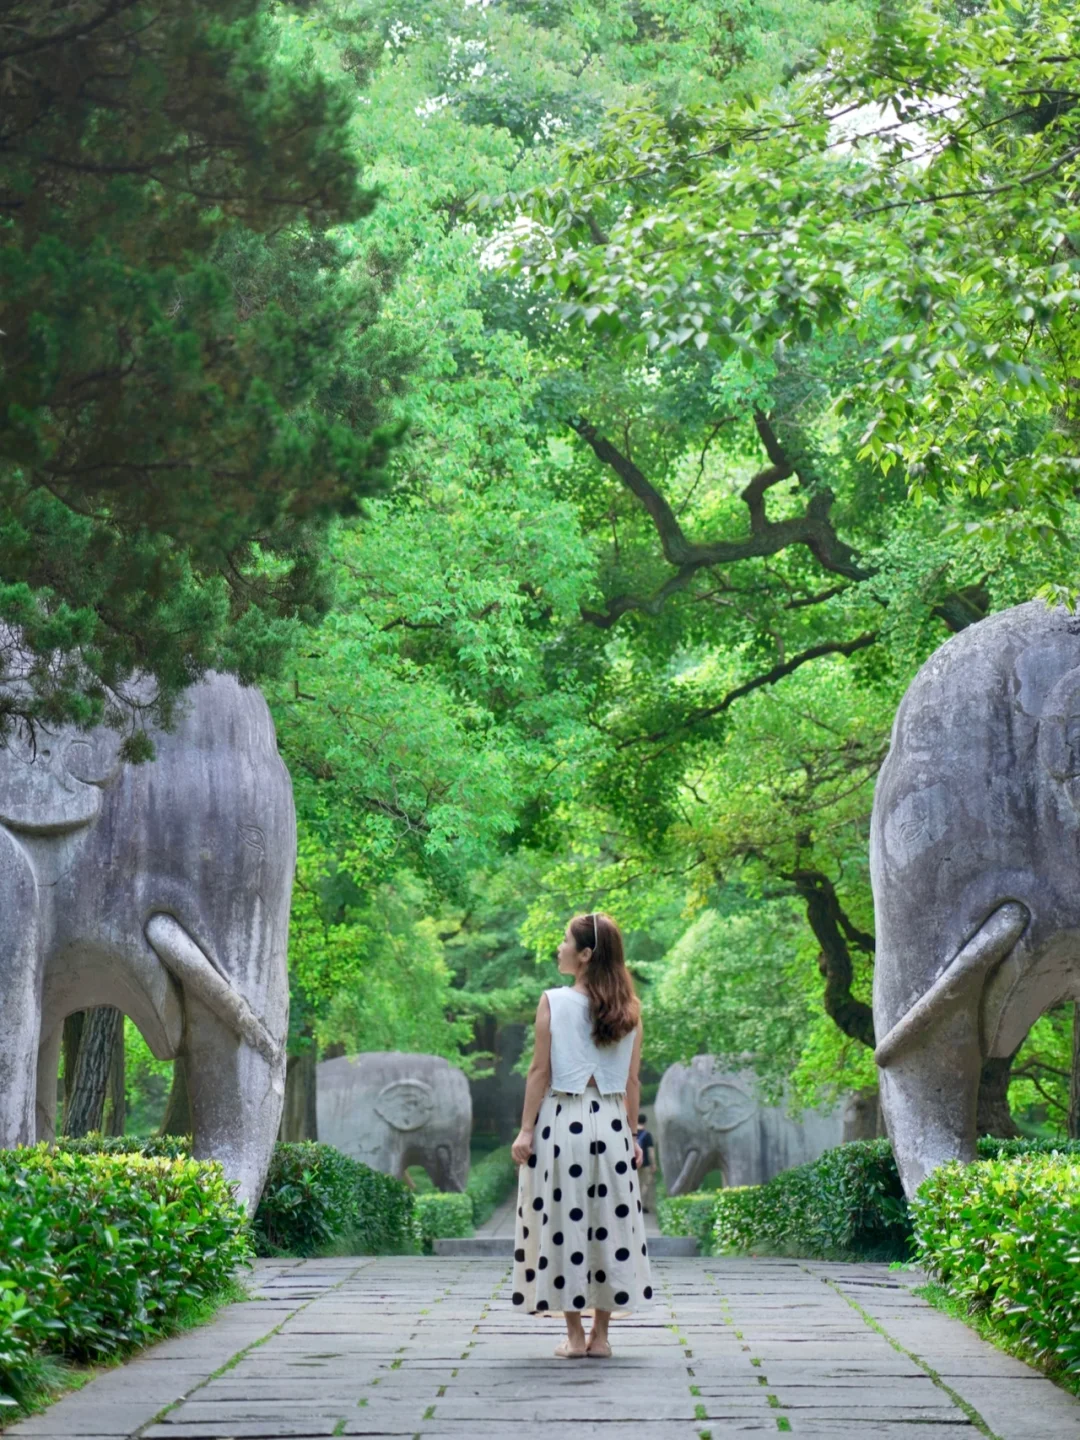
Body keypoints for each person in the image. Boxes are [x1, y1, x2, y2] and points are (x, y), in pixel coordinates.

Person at [510, 911, 653, 1359]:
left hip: (562, 1121)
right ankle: (602, 1336)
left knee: (563, 1225)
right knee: (609, 1225)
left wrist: (526, 1130)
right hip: (611, 1125)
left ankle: (574, 1336)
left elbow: (539, 1071)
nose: (560, 948)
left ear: (586, 954)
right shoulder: (630, 1010)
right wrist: (633, 1135)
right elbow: (632, 1082)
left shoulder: (553, 1001)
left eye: (565, 941)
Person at [636, 1112, 656, 1214]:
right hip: (645, 1163)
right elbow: (650, 1151)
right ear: (645, 1122)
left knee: (636, 1184)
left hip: (634, 1163)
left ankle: (635, 1204)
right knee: (646, 1184)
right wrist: (653, 1164)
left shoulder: (632, 1134)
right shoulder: (647, 1135)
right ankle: (642, 1205)